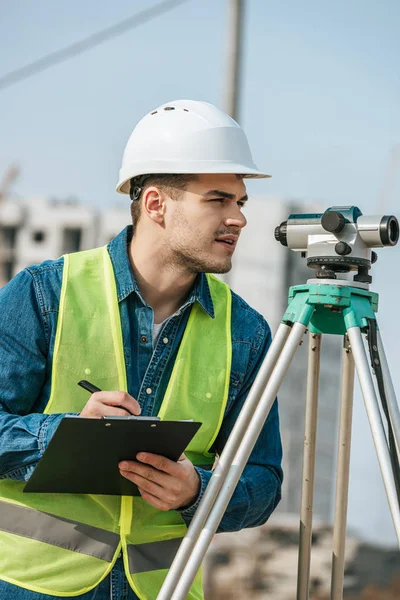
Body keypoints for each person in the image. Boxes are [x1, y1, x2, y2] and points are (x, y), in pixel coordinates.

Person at [0, 100, 283, 600]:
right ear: (155, 204)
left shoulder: (248, 333)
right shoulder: (45, 294)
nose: (238, 218)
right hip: (31, 587)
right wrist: (61, 435)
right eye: (218, 200)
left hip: (162, 591)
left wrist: (198, 491)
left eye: (241, 202)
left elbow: (263, 483)